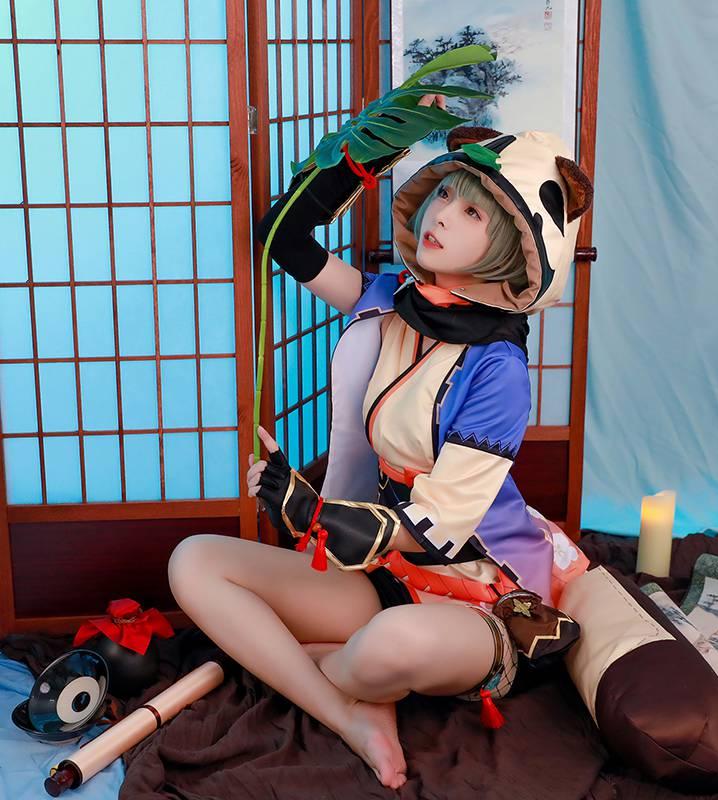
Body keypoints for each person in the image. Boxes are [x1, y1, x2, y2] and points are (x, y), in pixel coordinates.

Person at [167, 95, 593, 789]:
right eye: (444, 194)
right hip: (383, 572)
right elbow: (284, 239)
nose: (441, 215)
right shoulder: (391, 299)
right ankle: (346, 712)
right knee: (193, 561)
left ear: (513, 247)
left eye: (473, 212)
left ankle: (301, 669)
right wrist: (365, 152)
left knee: (388, 646)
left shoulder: (499, 370)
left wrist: (310, 512)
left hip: (479, 586)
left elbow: (441, 524)